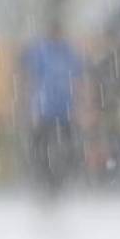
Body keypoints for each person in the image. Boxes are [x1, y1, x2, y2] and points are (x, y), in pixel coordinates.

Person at [20, 16, 83, 195]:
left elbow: (78, 77)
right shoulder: (41, 51)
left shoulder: (68, 52)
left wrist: (80, 105)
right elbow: (28, 75)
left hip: (64, 110)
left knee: (68, 148)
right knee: (40, 147)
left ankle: (61, 179)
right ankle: (42, 179)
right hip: (45, 110)